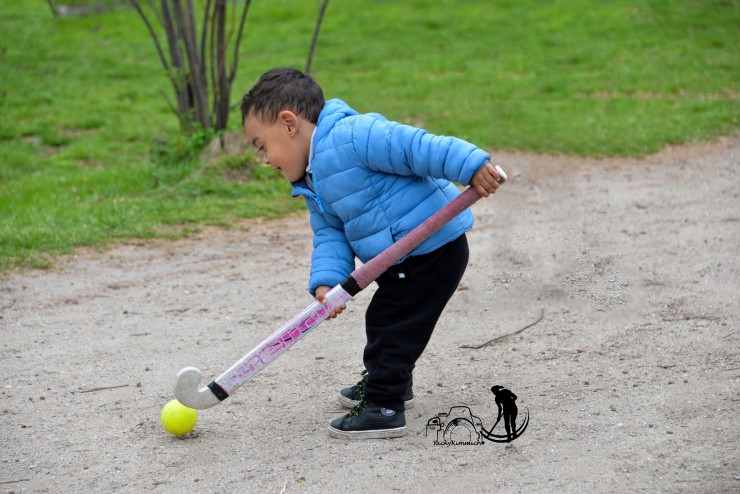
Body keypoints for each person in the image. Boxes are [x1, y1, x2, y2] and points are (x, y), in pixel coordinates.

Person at [240, 67, 503, 440]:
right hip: (401, 259)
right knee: (390, 321)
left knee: (393, 322)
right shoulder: (311, 180)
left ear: (288, 124)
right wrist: (327, 282)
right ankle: (391, 385)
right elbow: (330, 234)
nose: (265, 159)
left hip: (433, 248)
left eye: (262, 146)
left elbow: (417, 147)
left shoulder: (353, 136)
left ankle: (384, 405)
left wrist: (471, 165)